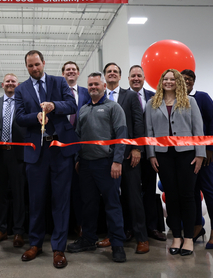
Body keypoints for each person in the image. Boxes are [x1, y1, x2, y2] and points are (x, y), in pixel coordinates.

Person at [15, 50, 78, 269]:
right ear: (27, 67)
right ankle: (35, 243)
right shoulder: (21, 89)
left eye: (37, 64)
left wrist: (53, 106)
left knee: (60, 201)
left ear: (44, 63)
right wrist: (35, 116)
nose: (34, 69)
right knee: (36, 201)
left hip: (60, 151)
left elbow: (72, 105)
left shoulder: (59, 82)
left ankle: (58, 248)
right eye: (30, 66)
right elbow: (19, 118)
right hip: (36, 153)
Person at [67, 72, 128, 263]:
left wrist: (117, 161)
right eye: (90, 85)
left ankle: (117, 245)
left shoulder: (113, 107)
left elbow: (121, 135)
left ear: (103, 85)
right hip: (85, 165)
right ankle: (88, 239)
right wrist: (78, 159)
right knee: (89, 205)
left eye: (96, 84)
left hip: (107, 164)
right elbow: (78, 136)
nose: (93, 87)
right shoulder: (83, 110)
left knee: (112, 205)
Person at [145, 69, 205, 256]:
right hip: (163, 155)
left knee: (187, 196)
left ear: (178, 82)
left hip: (187, 154)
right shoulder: (152, 103)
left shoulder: (190, 101)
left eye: (172, 79)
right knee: (171, 196)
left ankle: (188, 238)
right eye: (166, 79)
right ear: (161, 81)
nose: (169, 82)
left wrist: (200, 154)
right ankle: (176, 237)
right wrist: (151, 155)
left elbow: (198, 129)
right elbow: (149, 132)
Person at [101, 63, 149, 254]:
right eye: (109, 71)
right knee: (110, 198)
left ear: (120, 77)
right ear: (105, 76)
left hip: (129, 155)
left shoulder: (130, 96)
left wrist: (137, 148)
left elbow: (138, 122)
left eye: (115, 71)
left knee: (133, 196)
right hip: (105, 156)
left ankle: (141, 238)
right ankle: (114, 235)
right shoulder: (99, 96)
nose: (112, 74)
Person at [181, 69, 213, 249]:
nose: (186, 81)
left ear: (193, 82)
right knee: (192, 191)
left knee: (208, 189)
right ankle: (197, 225)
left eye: (189, 79)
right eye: (183, 79)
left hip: (205, 154)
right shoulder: (177, 101)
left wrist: (210, 149)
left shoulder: (202, 97)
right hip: (186, 154)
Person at [128, 65, 167, 242]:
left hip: (151, 151)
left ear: (144, 78)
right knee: (131, 192)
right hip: (131, 153)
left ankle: (152, 227)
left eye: (139, 75)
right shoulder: (123, 97)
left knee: (150, 191)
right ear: (128, 78)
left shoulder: (155, 97)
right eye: (133, 76)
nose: (136, 78)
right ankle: (130, 228)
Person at [0, 73, 27, 248]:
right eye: (8, 81)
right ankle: (0, 230)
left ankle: (19, 231)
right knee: (0, 194)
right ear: (2, 84)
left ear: (17, 85)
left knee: (19, 195)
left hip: (18, 155)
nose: (10, 84)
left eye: (13, 81)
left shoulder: (23, 104)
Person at [61, 61, 90, 236]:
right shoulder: (57, 93)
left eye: (73, 69)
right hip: (61, 146)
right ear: (63, 73)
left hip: (83, 146)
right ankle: (64, 226)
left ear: (78, 73)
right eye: (67, 70)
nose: (71, 72)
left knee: (81, 189)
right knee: (62, 189)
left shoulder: (87, 93)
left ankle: (80, 224)